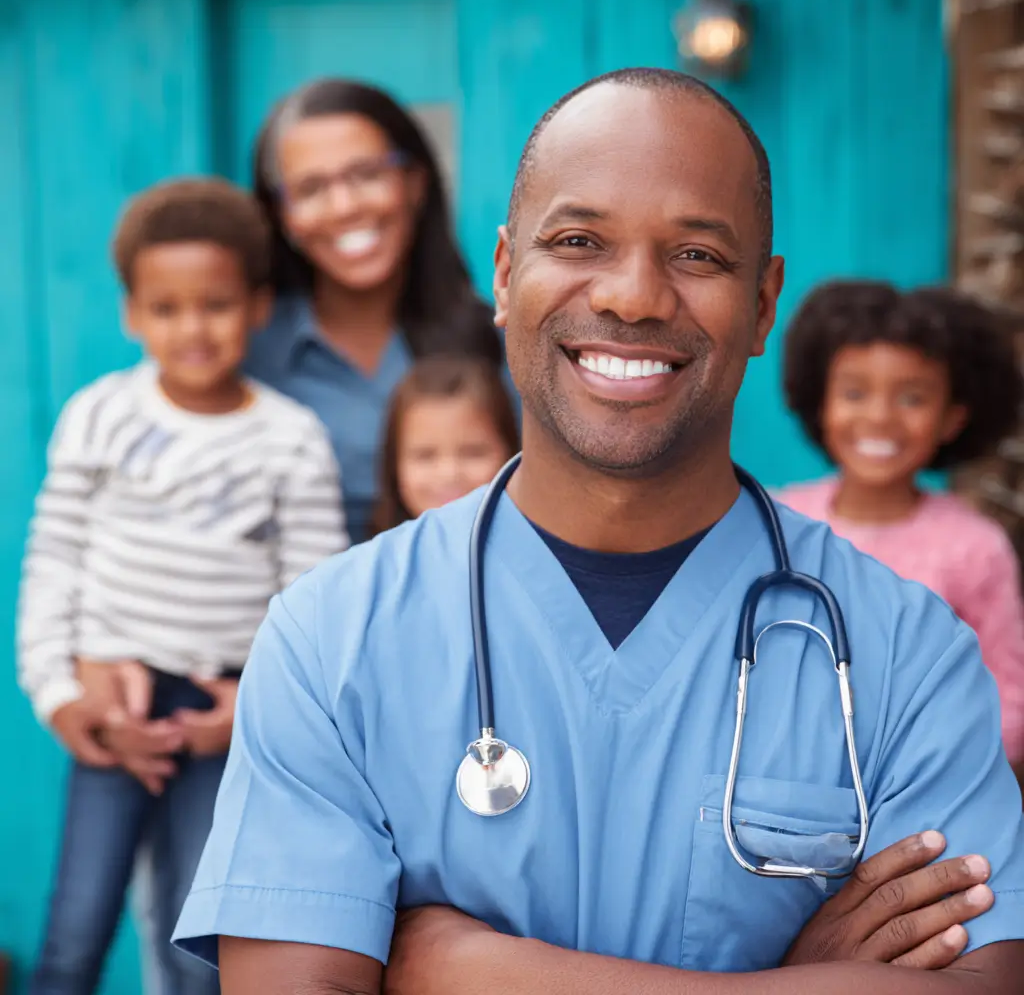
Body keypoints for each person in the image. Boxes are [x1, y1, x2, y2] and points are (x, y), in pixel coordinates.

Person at [173, 69, 1024, 993]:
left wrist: (475, 972)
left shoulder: (907, 652)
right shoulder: (330, 639)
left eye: (698, 256)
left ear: (765, 305)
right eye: (579, 240)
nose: (633, 297)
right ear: (504, 274)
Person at [17, 177, 348, 995]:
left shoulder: (291, 439)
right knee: (75, 932)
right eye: (166, 309)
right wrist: (62, 697)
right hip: (112, 709)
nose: (192, 329)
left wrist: (253, 708)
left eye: (216, 304)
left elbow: (310, 599)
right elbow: (53, 559)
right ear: (133, 314)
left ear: (258, 305)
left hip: (224, 715)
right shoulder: (99, 416)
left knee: (200, 946)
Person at [776, 282, 1024, 775]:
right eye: (854, 392)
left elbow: (1009, 697)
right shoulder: (777, 523)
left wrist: (938, 768)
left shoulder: (975, 548)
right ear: (820, 403)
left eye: (912, 397)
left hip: (923, 797)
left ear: (952, 419)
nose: (880, 417)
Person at [247, 78, 504, 544]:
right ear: (281, 214)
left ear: (415, 182)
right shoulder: (246, 353)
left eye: (366, 174)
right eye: (310, 188)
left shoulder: (500, 342)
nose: (344, 206)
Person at [369, 356, 519, 537]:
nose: (449, 474)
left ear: (511, 453)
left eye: (473, 453)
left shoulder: (543, 557)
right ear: (394, 465)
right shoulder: (375, 562)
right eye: (425, 456)